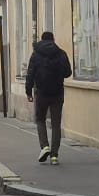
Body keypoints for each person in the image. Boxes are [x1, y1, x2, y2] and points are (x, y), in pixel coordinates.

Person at [24, 30, 73, 164]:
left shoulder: (36, 54)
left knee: (40, 120)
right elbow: (68, 72)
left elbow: (30, 74)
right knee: (56, 124)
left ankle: (45, 146)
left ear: (42, 40)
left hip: (41, 93)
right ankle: (54, 156)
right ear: (53, 40)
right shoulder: (61, 53)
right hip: (57, 92)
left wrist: (28, 92)